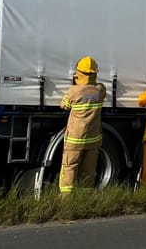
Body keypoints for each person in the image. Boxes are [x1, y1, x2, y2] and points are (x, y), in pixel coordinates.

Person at [59, 55, 107, 195]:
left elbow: (64, 105)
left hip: (75, 139)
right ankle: (84, 197)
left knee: (69, 168)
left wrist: (75, 83)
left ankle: (66, 199)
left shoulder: (74, 91)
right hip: (93, 140)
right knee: (88, 170)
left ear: (79, 74)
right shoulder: (100, 90)